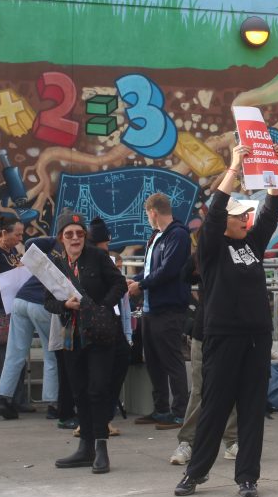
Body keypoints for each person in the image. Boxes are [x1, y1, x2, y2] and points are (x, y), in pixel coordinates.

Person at [174, 143, 278, 497]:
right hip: (223, 337)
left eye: (244, 216)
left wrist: (272, 175)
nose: (243, 220)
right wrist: (235, 167)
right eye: (238, 216)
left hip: (257, 338)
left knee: (252, 409)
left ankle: (247, 477)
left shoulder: (251, 244)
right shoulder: (212, 247)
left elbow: (269, 214)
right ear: (225, 224)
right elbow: (216, 211)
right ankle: (196, 472)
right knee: (215, 407)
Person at [46, 212, 127, 474]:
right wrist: (63, 305)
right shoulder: (55, 262)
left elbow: (120, 283)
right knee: (79, 390)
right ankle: (85, 447)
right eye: (69, 234)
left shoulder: (98, 257)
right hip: (72, 335)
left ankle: (101, 447)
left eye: (79, 233)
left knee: (98, 389)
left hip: (100, 335)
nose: (75, 238)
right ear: (61, 238)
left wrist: (103, 307)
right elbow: (47, 300)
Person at [128, 193, 191, 429]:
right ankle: (161, 408)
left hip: (169, 308)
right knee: (153, 361)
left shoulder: (178, 235)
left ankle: (180, 411)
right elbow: (150, 269)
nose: (148, 219)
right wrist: (133, 280)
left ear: (153, 212)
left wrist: (141, 285)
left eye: (147, 215)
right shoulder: (157, 236)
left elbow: (168, 270)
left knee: (172, 360)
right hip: (149, 308)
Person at [170, 250, 239, 466]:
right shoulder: (205, 252)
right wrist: (199, 258)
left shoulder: (241, 251)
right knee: (200, 389)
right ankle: (187, 442)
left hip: (233, 331)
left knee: (232, 387)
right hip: (205, 329)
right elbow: (184, 275)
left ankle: (232, 441)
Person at [0, 236, 59, 419]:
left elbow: (31, 242)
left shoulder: (51, 244)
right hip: (42, 303)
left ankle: (4, 399)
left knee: (14, 352)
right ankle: (52, 403)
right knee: (52, 353)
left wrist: (32, 260)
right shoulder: (73, 254)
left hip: (21, 298)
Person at [0, 215, 30, 418]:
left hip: (11, 306)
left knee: (17, 354)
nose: (20, 238)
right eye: (16, 234)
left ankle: (15, 399)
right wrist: (16, 271)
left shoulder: (11, 249)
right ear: (3, 233)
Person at [88, 217, 130, 438]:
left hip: (104, 320)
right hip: (102, 324)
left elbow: (118, 284)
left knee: (114, 365)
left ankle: (99, 419)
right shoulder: (100, 258)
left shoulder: (96, 257)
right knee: (105, 373)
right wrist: (104, 306)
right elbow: (118, 285)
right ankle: (99, 420)